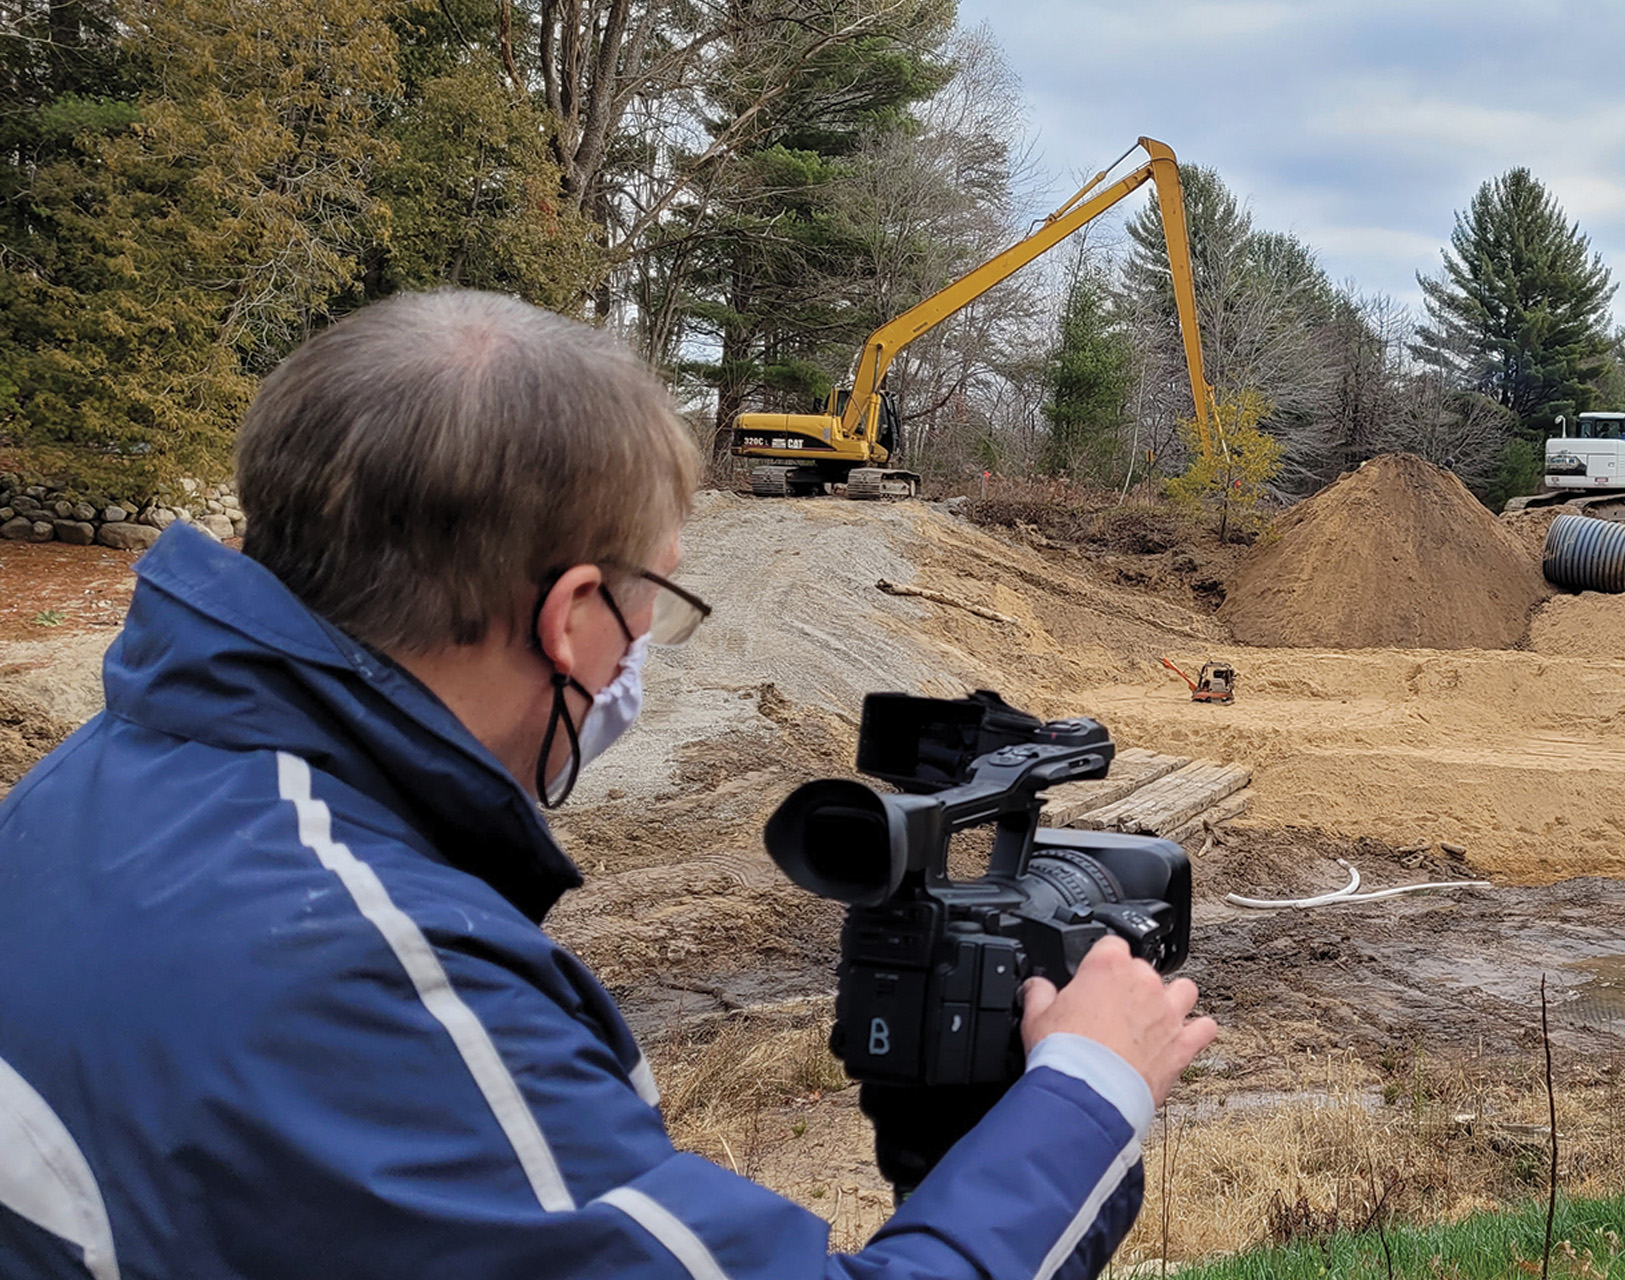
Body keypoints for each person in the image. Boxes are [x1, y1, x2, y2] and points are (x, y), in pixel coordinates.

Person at [0, 290, 1216, 1280]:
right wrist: (1087, 1091)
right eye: (658, 600)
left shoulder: (88, 793)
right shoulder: (376, 976)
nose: (645, 647)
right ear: (576, 616)